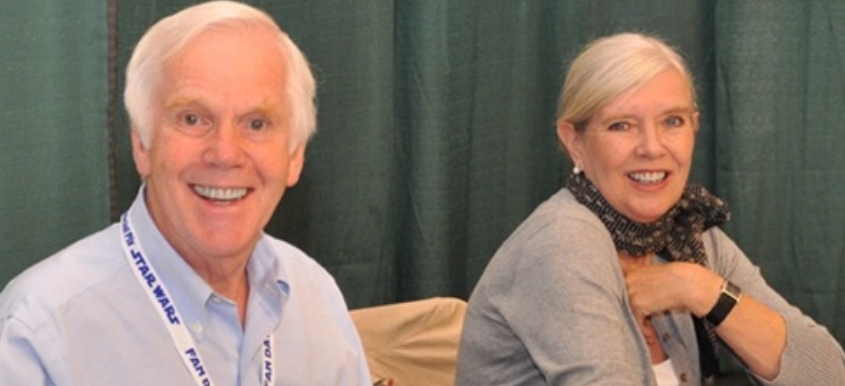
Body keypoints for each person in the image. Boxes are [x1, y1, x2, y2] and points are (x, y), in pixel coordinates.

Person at [0, 1, 371, 385]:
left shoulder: (315, 295)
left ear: (294, 155)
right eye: (193, 119)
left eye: (257, 123)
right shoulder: (39, 332)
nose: (225, 152)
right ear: (142, 144)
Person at [455, 32, 845, 386]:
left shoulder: (690, 236)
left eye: (672, 121)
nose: (652, 147)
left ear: (694, 128)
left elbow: (828, 375)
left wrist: (699, 288)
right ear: (574, 143)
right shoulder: (562, 242)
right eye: (622, 126)